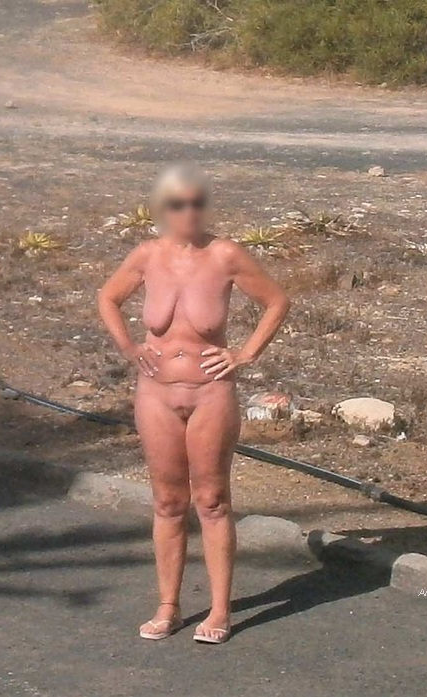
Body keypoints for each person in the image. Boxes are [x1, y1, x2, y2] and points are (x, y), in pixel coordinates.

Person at [97, 164, 290, 644]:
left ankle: (220, 610)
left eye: (197, 203)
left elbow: (276, 302)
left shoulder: (225, 254)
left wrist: (244, 354)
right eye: (178, 204)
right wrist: (128, 347)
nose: (189, 212)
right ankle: (168, 605)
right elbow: (107, 298)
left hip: (210, 394)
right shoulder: (147, 254)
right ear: (162, 208)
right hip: (156, 394)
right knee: (167, 501)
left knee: (212, 500)